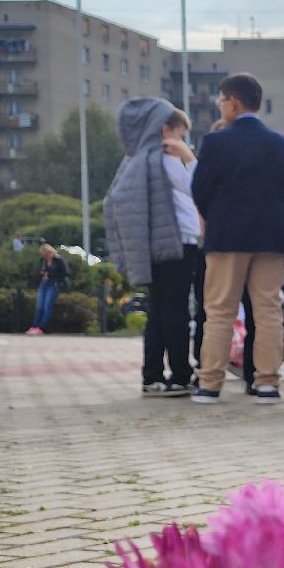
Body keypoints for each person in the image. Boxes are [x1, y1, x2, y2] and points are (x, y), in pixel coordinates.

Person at [190, 73, 284, 404]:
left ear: (232, 102)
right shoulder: (283, 144)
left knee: (220, 310)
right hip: (272, 235)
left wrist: (217, 215)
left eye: (220, 101)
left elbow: (201, 190)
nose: (220, 107)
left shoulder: (215, 143)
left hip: (227, 237)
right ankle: (267, 382)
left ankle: (210, 383)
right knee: (268, 311)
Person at [105, 97, 199, 396]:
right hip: (178, 242)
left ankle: (152, 374)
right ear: (165, 130)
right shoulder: (167, 159)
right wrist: (190, 156)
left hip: (153, 247)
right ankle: (181, 374)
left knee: (158, 311)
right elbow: (197, 188)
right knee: (176, 312)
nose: (181, 141)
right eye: (180, 135)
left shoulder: (133, 160)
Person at [30, 244, 67, 334]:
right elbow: (39, 270)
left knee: (47, 307)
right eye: (44, 255)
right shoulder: (43, 261)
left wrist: (51, 274)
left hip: (53, 284)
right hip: (44, 284)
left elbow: (65, 273)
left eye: (47, 254)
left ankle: (41, 328)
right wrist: (41, 273)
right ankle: (34, 326)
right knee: (39, 307)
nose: (46, 256)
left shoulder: (58, 260)